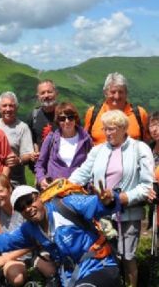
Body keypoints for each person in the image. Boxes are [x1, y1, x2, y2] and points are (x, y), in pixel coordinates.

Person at [0, 183, 122, 287]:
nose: (28, 208)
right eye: (22, 207)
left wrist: (108, 201)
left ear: (40, 198)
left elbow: (97, 205)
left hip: (101, 266)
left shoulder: (66, 206)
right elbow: (1, 243)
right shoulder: (29, 229)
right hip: (71, 276)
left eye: (30, 201)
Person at [70, 109, 154, 287]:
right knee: (106, 254)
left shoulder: (140, 149)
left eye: (112, 128)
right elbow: (82, 173)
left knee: (127, 256)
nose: (108, 133)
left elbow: (147, 186)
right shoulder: (98, 150)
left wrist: (121, 197)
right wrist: (64, 187)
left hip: (128, 213)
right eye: (105, 129)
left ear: (124, 128)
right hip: (102, 215)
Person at [35, 102, 92, 190]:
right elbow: (39, 164)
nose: (67, 121)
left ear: (75, 118)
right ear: (57, 120)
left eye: (70, 117)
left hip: (79, 190)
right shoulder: (51, 138)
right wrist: (41, 179)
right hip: (54, 190)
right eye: (62, 119)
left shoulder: (85, 139)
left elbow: (91, 165)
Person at [84, 72, 149, 145]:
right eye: (113, 92)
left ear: (126, 93)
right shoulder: (93, 113)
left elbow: (147, 141)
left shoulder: (140, 113)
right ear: (105, 93)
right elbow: (85, 140)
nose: (117, 96)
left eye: (121, 92)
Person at [0, 92, 36, 186]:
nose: (8, 109)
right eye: (4, 106)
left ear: (16, 108)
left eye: (11, 106)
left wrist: (18, 160)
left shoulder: (23, 127)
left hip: (15, 181)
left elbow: (28, 154)